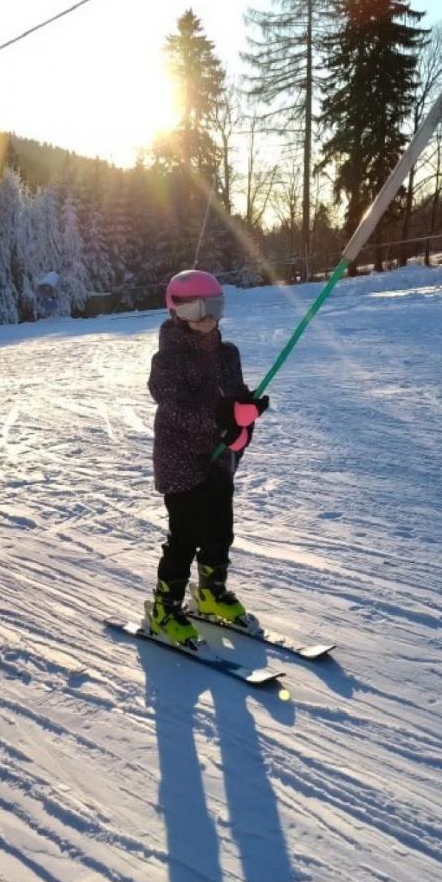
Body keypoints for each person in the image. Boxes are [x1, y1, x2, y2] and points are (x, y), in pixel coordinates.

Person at [147, 270, 270, 647]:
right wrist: (222, 417)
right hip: (181, 461)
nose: (206, 317)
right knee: (186, 535)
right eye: (195, 309)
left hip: (219, 460)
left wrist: (244, 420)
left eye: (214, 307)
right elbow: (174, 408)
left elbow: (235, 397)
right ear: (175, 311)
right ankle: (165, 607)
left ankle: (211, 592)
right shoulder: (167, 359)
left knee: (220, 528)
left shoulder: (228, 354)